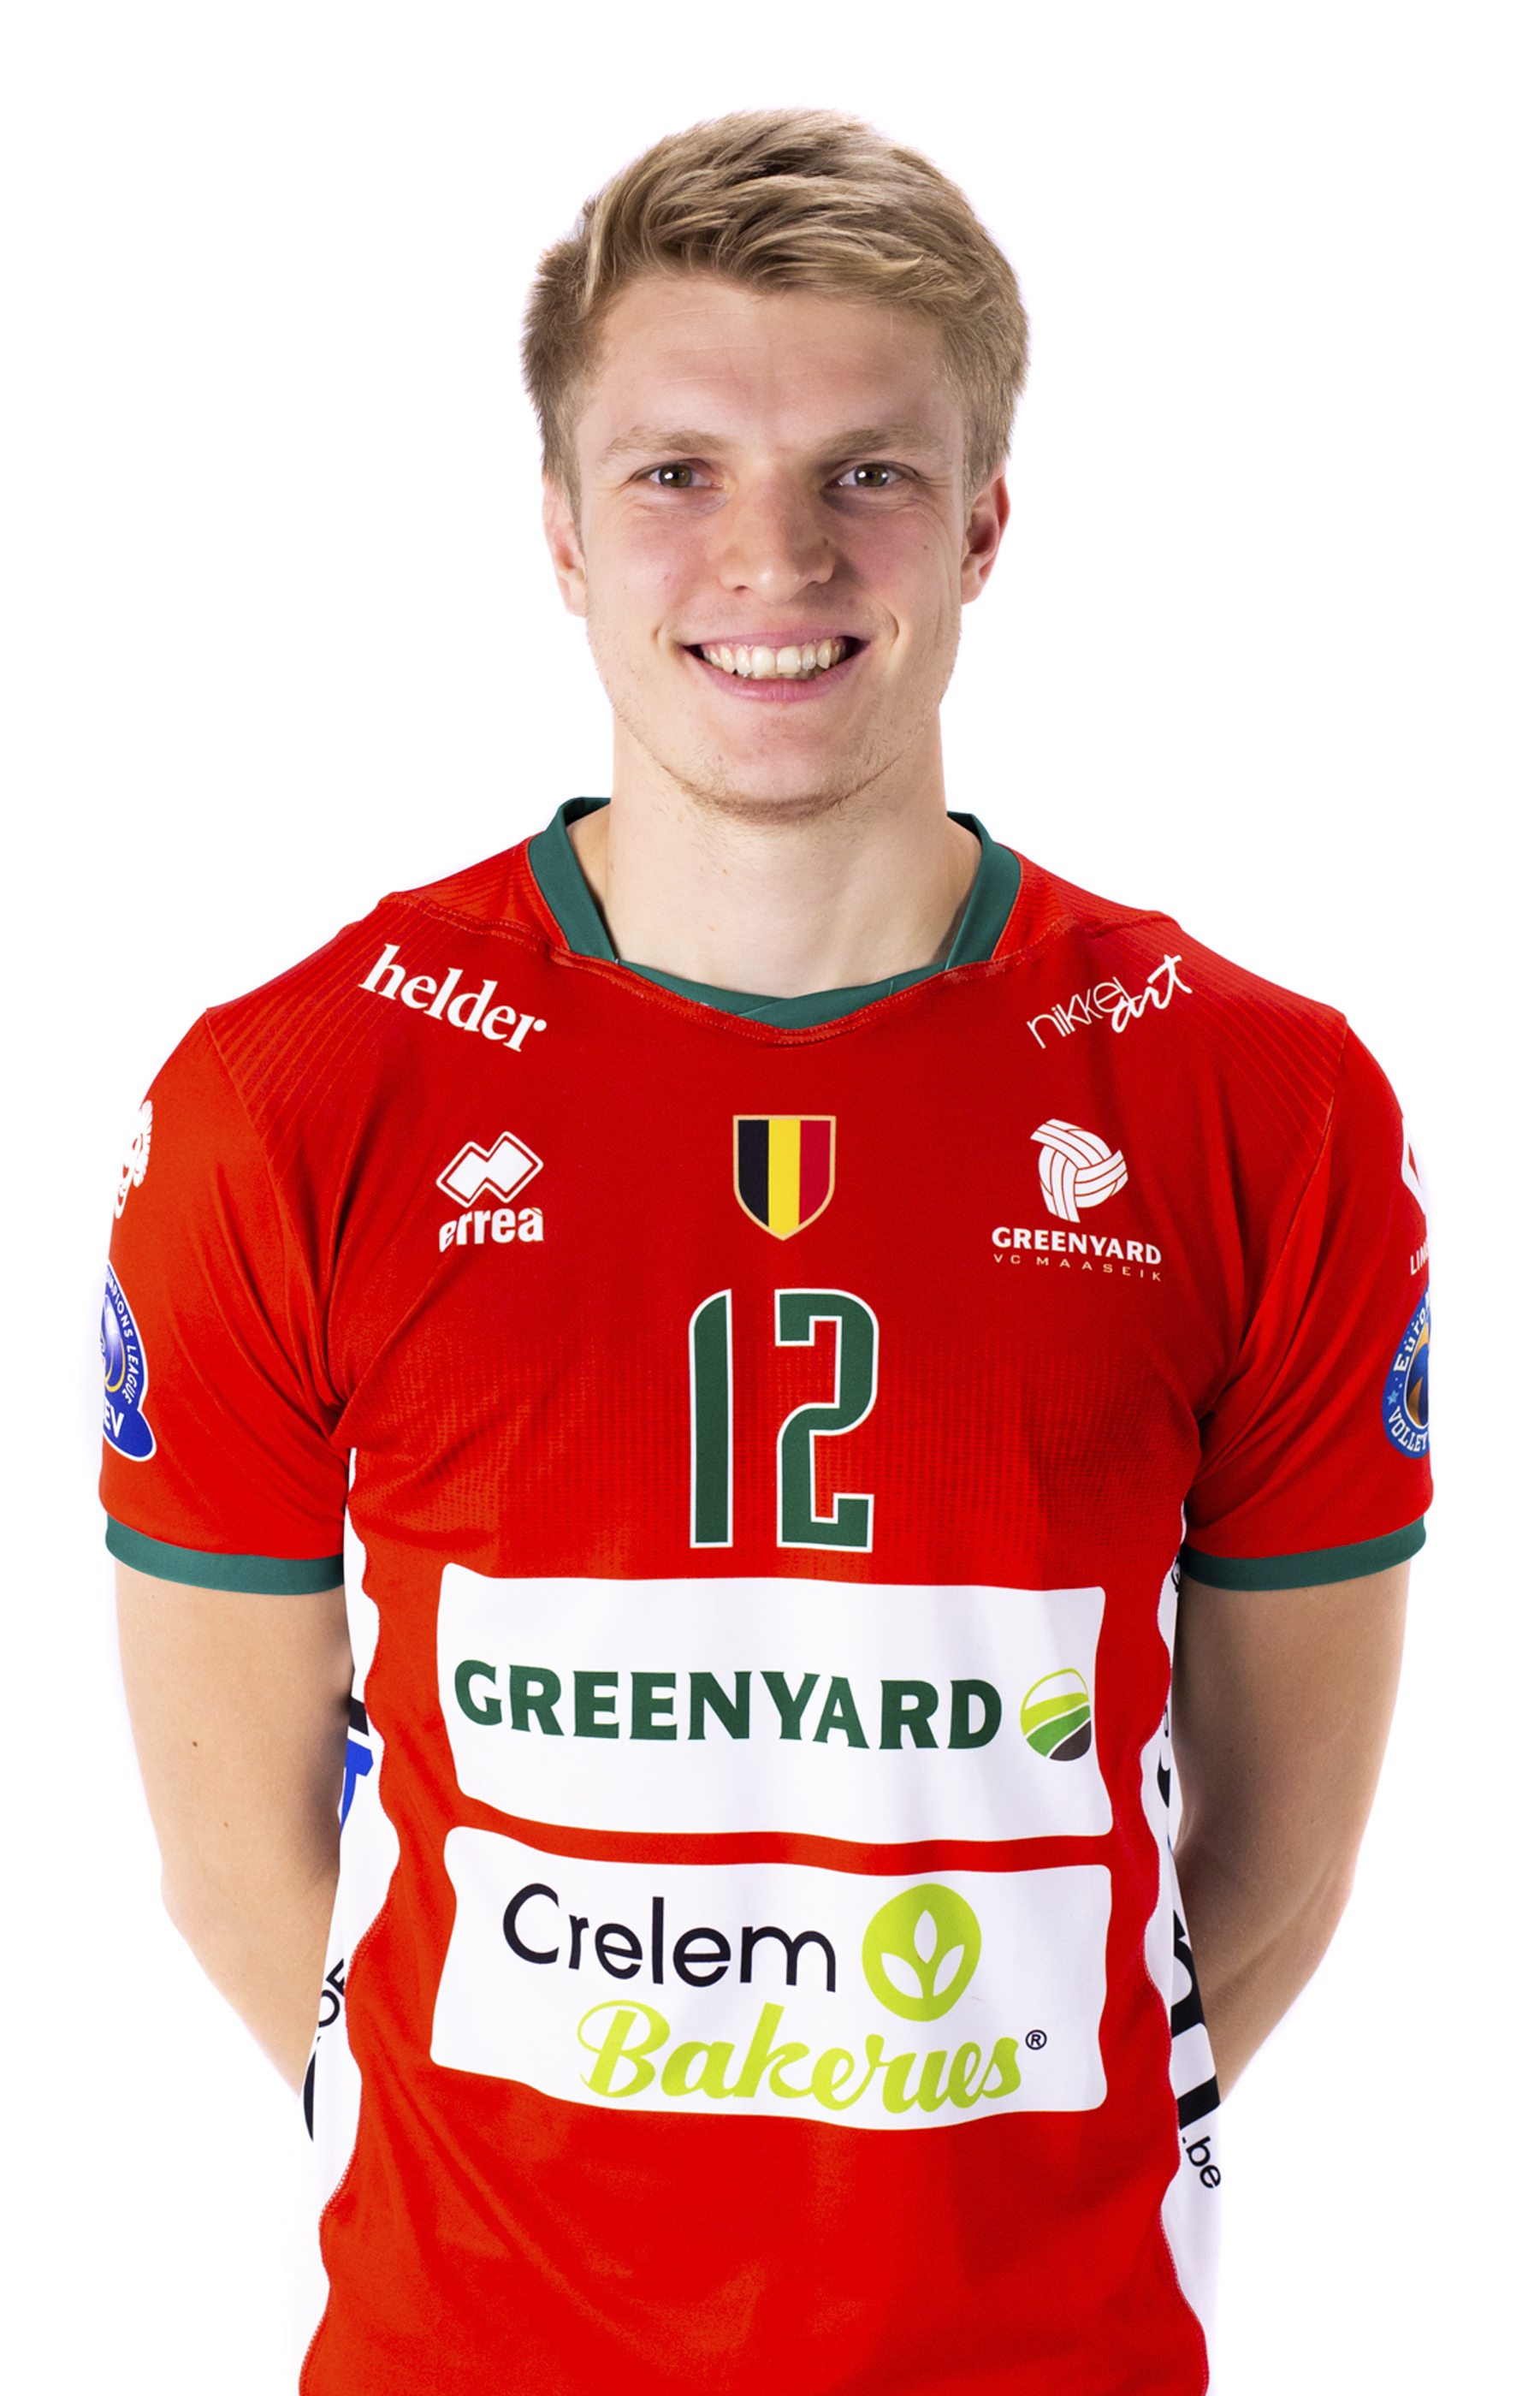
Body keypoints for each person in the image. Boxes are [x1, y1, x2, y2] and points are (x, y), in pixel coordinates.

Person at [102, 110, 1431, 2396]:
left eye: (868, 475)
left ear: (985, 522)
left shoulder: (1260, 1102)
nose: (775, 557)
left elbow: (1279, 1857)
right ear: (561, 530)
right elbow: (240, 1857)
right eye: (678, 472)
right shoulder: (292, 1093)